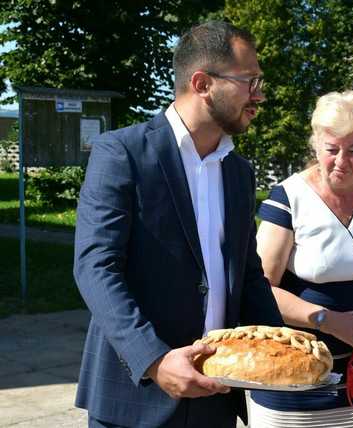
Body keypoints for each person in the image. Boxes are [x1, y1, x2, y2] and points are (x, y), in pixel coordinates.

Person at [73, 21, 283, 428]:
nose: (259, 94)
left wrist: (282, 348)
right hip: (136, 398)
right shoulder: (123, 153)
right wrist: (153, 360)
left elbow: (249, 276)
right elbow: (95, 267)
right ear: (202, 83)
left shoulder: (239, 171)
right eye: (250, 80)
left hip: (218, 395)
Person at [248, 90, 353, 427]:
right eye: (332, 150)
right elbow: (260, 287)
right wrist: (328, 320)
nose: (342, 161)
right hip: (290, 374)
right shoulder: (288, 197)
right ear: (316, 145)